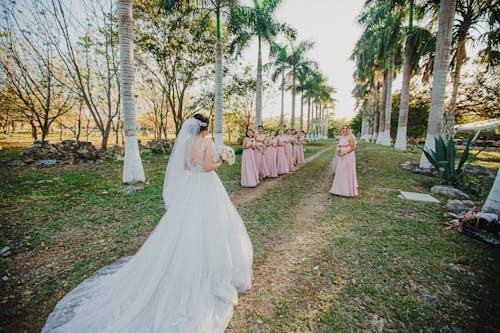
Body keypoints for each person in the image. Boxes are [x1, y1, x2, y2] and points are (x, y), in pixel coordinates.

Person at [42, 114, 253, 333]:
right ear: (205, 129)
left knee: (185, 227)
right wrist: (221, 160)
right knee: (211, 226)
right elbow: (208, 167)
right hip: (207, 187)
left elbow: (187, 167)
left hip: (192, 190)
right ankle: (208, 269)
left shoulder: (188, 143)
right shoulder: (207, 143)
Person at [329, 125, 358, 197]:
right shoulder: (341, 137)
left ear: (349, 129)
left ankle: (347, 191)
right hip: (341, 155)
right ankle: (338, 190)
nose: (345, 130)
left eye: (346, 128)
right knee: (340, 171)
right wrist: (338, 152)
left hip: (348, 155)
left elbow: (353, 147)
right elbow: (338, 145)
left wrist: (345, 153)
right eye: (343, 128)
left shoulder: (351, 137)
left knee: (346, 171)